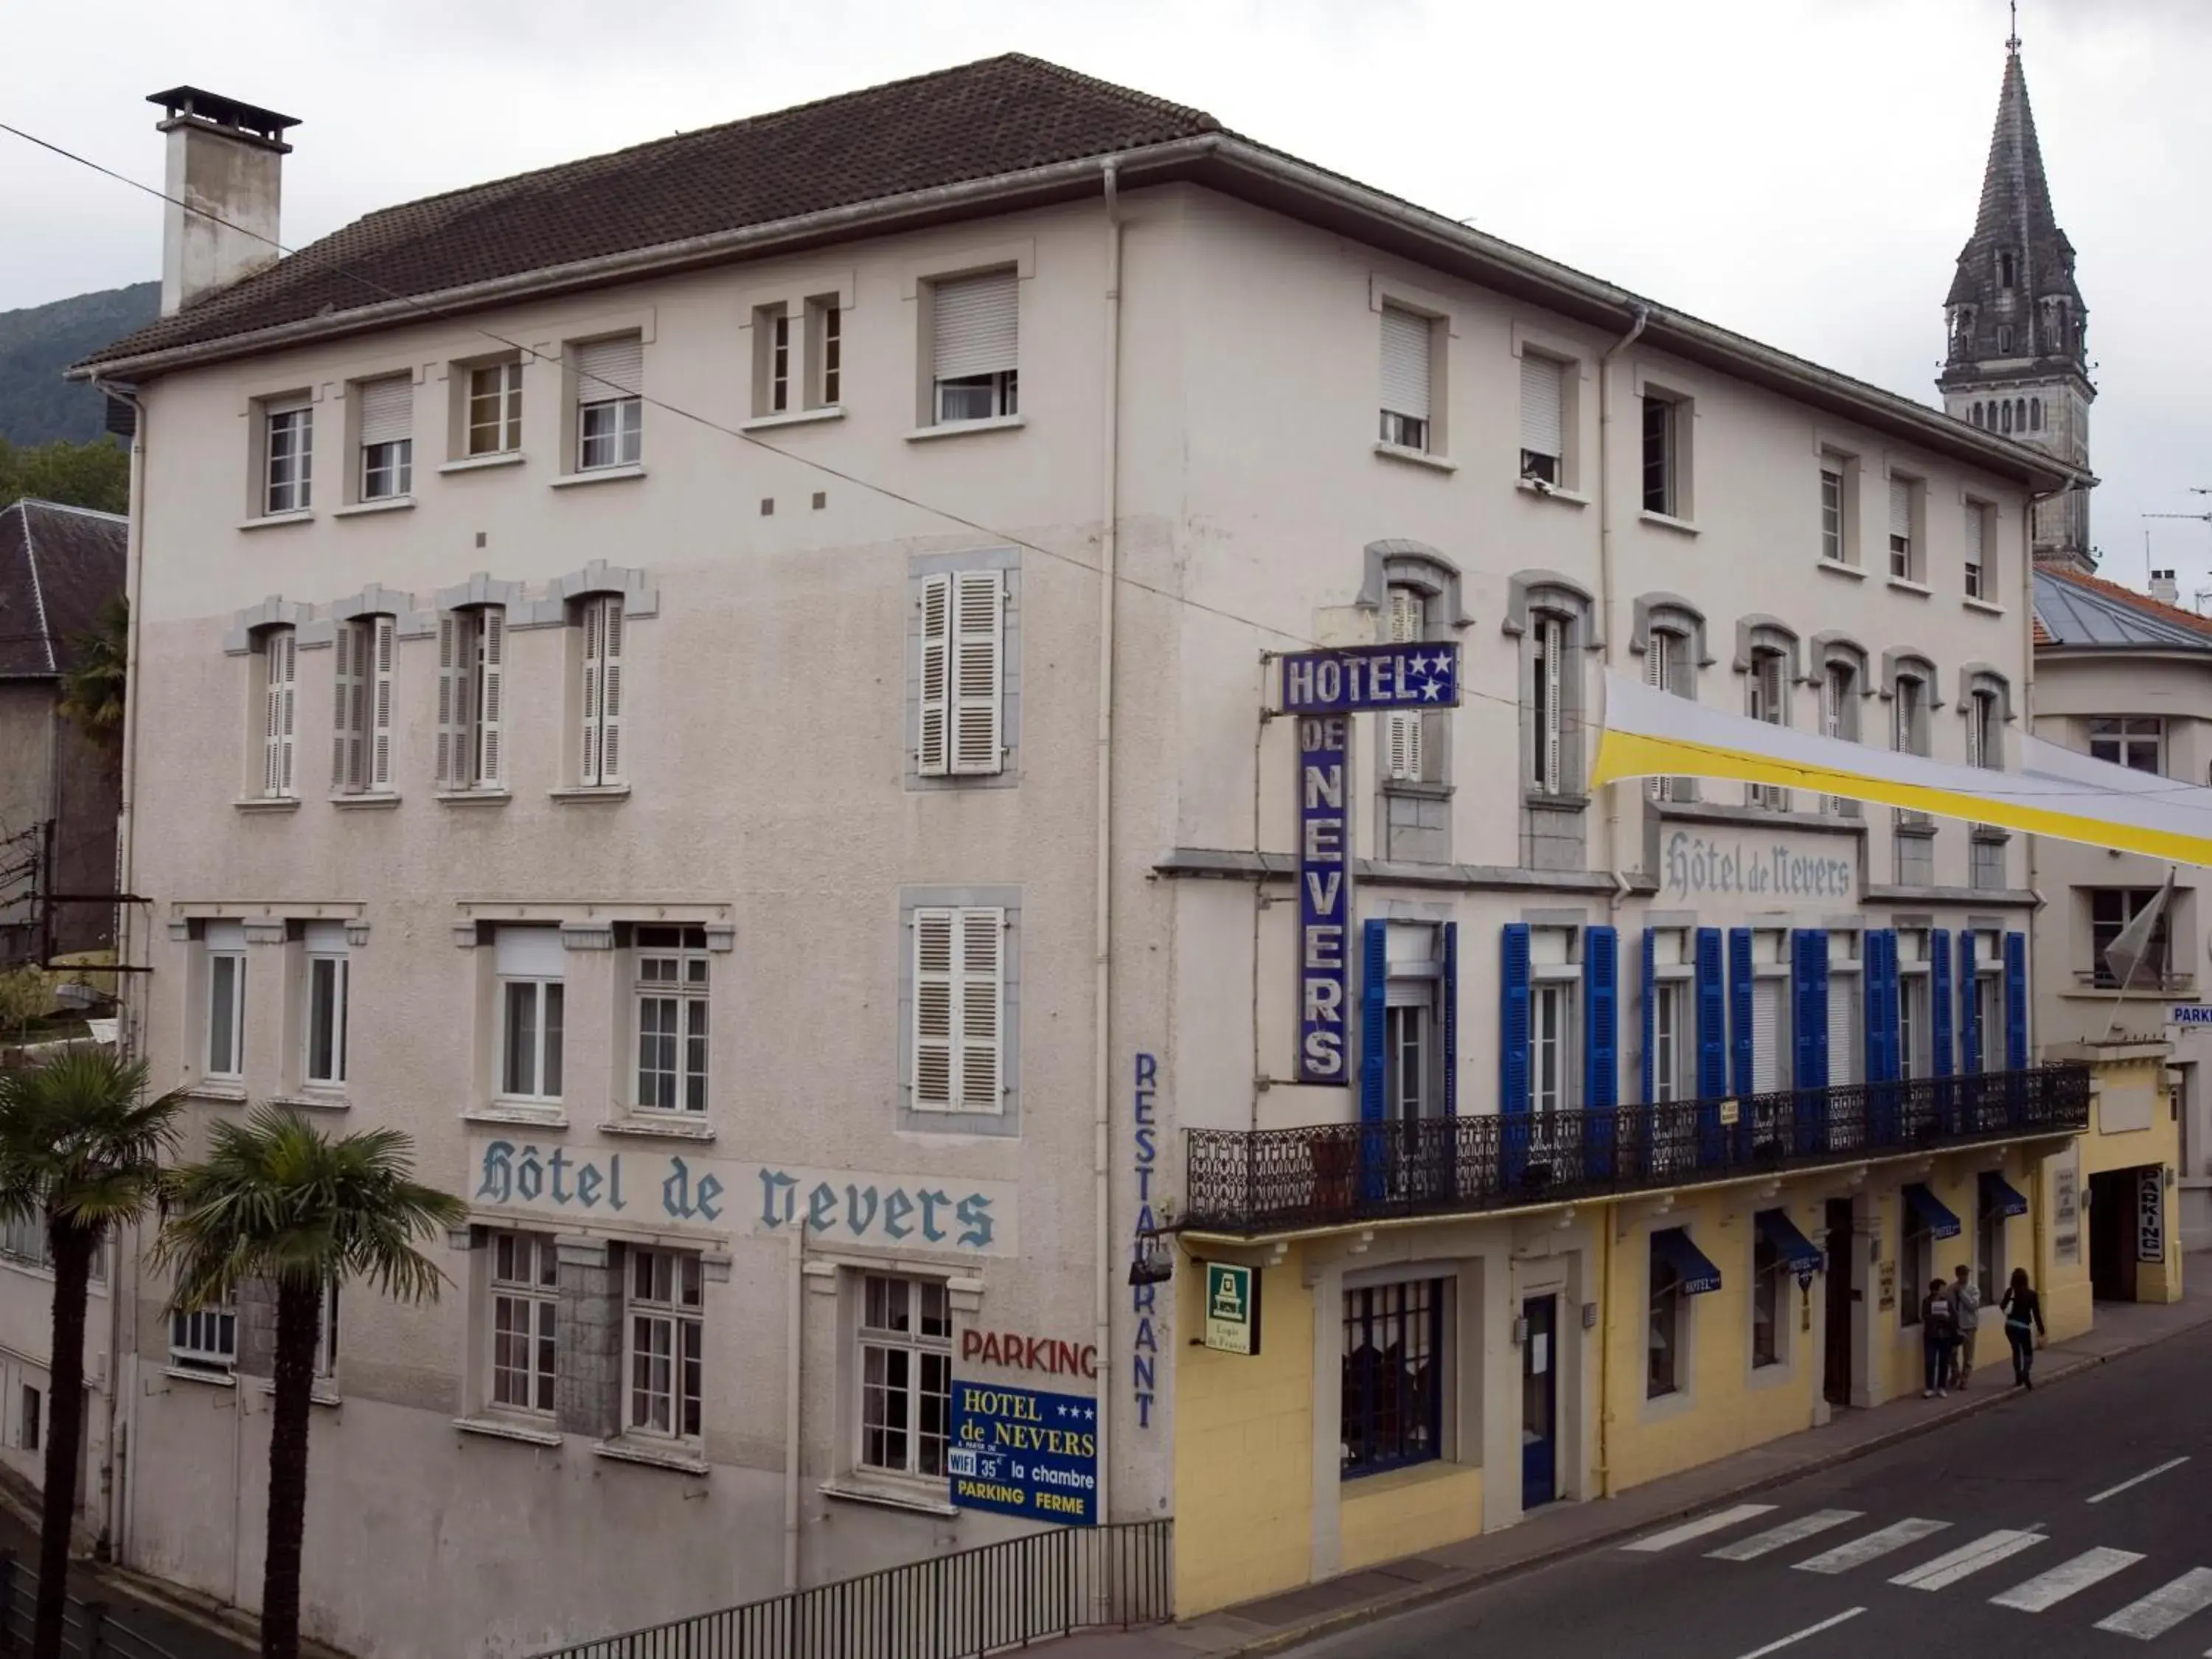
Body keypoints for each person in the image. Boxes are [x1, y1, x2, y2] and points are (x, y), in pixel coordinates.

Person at [2000, 1267, 2046, 1388]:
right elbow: (2036, 1314)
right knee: (2027, 1352)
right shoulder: (2031, 1295)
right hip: (2023, 1327)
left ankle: (2018, 1377)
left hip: (2010, 1326)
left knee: (2016, 1351)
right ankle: (2026, 1372)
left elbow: (2002, 1306)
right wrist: (2041, 1329)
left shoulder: (2010, 1292)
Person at [1921, 1276, 1958, 1397]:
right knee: (1930, 1361)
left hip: (1945, 1336)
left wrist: (1947, 1318)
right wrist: (1941, 1316)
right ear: (1935, 1290)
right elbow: (1926, 1317)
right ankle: (1929, 1387)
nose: (1944, 1291)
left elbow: (1953, 1318)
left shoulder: (1947, 1302)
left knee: (1944, 1362)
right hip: (1931, 1336)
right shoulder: (1927, 1302)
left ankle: (1942, 1386)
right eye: (1942, 1289)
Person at [1951, 1264, 1983, 1388]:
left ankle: (1965, 1379)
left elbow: (1973, 1305)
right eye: (1962, 1275)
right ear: (1957, 1275)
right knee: (1952, 1353)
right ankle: (1955, 1372)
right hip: (1955, 1325)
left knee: (1968, 1354)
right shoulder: (1952, 1288)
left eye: (1966, 1274)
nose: (1965, 1277)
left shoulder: (1973, 1289)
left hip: (1969, 1325)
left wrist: (1962, 1293)